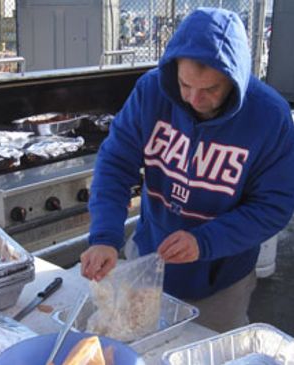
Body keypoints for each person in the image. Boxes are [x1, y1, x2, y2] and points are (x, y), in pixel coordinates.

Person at [81, 7, 294, 332]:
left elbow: (274, 206)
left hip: (221, 276)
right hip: (148, 260)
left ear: (235, 80)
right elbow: (115, 164)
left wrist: (204, 242)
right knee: (138, 341)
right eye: (185, 84)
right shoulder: (151, 92)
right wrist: (105, 236)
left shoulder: (270, 118)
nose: (194, 99)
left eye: (211, 89)